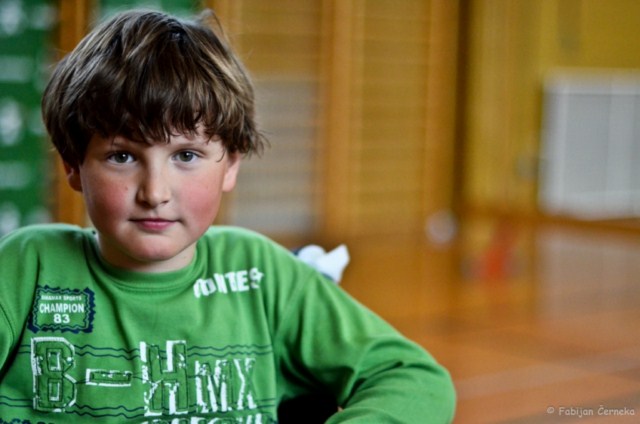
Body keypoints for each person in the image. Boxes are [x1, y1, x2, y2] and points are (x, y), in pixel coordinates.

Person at [0, 8, 456, 423]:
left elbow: (414, 378)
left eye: (186, 155)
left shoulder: (262, 275)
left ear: (231, 164)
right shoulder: (26, 268)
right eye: (122, 156)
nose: (155, 192)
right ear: (73, 165)